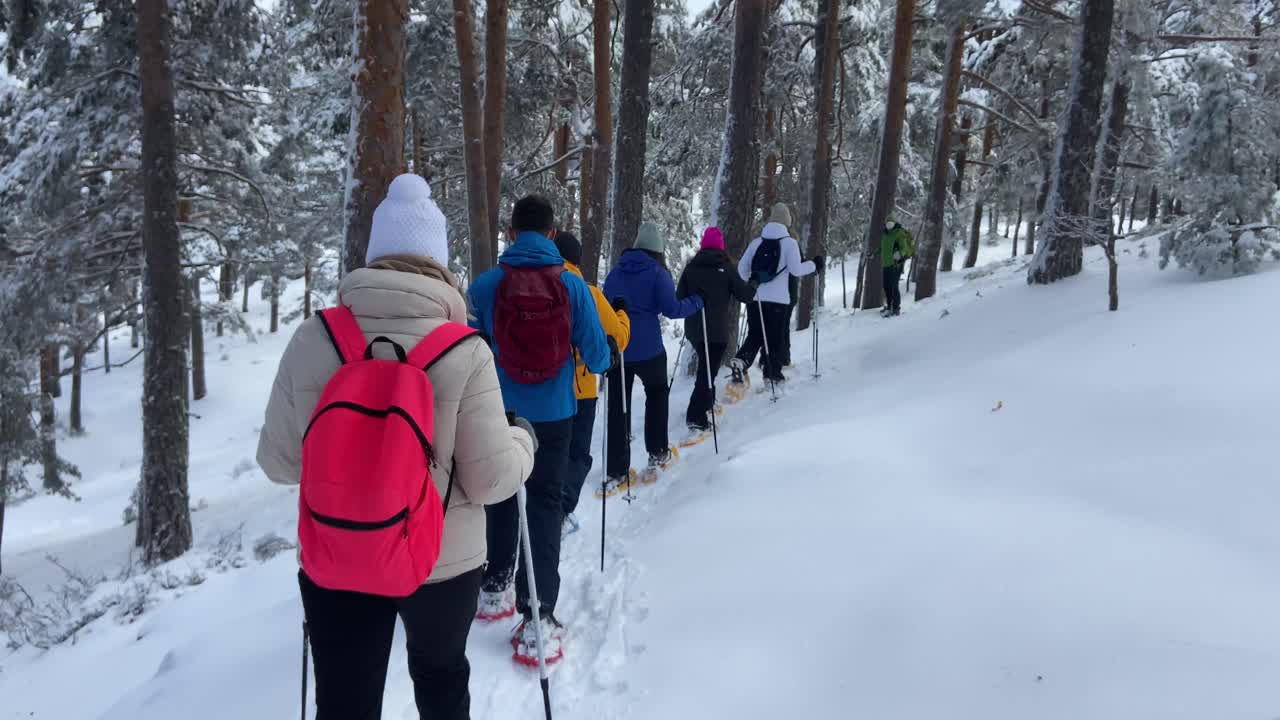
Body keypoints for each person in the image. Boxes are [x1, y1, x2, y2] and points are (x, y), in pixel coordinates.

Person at [257, 173, 536, 720]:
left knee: (344, 702)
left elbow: (280, 462)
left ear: (374, 255)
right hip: (440, 559)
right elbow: (489, 479)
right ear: (439, 261)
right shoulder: (464, 349)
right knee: (440, 680)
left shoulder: (315, 337)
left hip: (337, 555)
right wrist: (524, 440)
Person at [467, 194, 611, 664]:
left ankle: (493, 588)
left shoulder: (486, 286)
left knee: (502, 495)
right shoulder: (572, 287)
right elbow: (598, 355)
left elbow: (471, 348)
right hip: (553, 414)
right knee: (545, 505)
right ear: (552, 234)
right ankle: (538, 616)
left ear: (511, 232)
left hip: (500, 412)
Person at [603, 222, 703, 485]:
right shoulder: (658, 274)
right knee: (657, 398)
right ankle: (657, 453)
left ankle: (616, 469)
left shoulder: (615, 274)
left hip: (620, 349)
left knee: (617, 407)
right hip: (650, 351)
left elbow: (606, 310)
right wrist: (695, 302)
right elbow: (671, 309)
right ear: (658, 250)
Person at [553, 231, 630, 536]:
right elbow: (619, 339)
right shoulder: (588, 293)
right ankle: (559, 512)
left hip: (538, 389)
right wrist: (622, 313)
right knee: (577, 455)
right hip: (581, 389)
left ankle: (541, 509)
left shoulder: (533, 287)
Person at [676, 226, 756, 434]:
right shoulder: (726, 267)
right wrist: (754, 283)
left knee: (706, 367)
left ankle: (707, 401)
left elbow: (679, 297)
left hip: (695, 329)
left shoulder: (691, 267)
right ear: (721, 246)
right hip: (717, 332)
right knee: (706, 373)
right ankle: (696, 416)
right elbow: (744, 295)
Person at [732, 217, 823, 386]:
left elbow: (742, 268)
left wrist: (753, 283)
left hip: (756, 297)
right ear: (787, 222)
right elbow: (796, 270)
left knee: (755, 334)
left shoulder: (757, 242)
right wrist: (814, 265)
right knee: (775, 337)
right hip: (779, 300)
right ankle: (772, 375)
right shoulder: (790, 243)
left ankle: (741, 360)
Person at [881, 217, 914, 317]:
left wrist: (899, 254)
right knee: (886, 286)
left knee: (894, 286)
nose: (889, 225)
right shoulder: (885, 234)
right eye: (887, 223)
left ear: (894, 223)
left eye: (891, 223)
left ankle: (896, 308)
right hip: (886, 264)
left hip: (895, 264)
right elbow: (882, 247)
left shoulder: (899, 233)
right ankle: (889, 306)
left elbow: (903, 248)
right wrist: (874, 253)